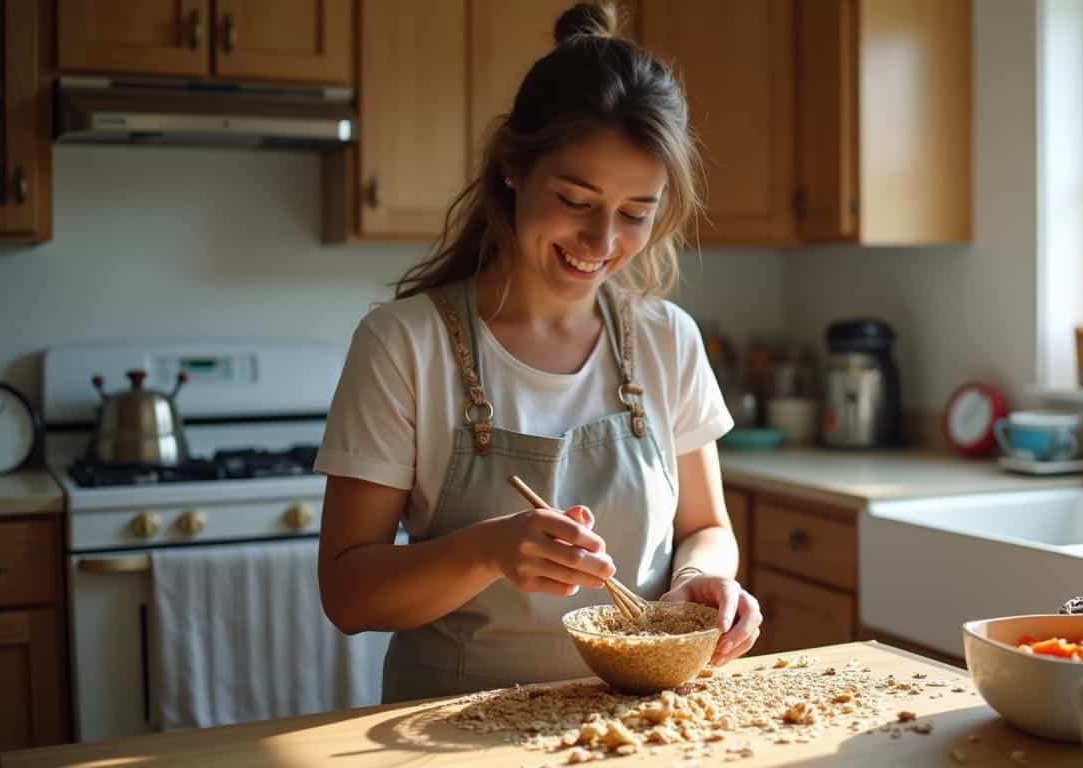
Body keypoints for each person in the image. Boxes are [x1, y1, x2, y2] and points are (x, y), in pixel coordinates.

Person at [314, 1, 761, 702]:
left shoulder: (666, 339)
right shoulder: (404, 345)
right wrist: (486, 550)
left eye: (636, 214)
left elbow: (706, 528)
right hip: (451, 734)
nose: (602, 242)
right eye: (576, 200)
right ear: (513, 169)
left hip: (639, 727)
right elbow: (346, 594)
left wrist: (698, 581)